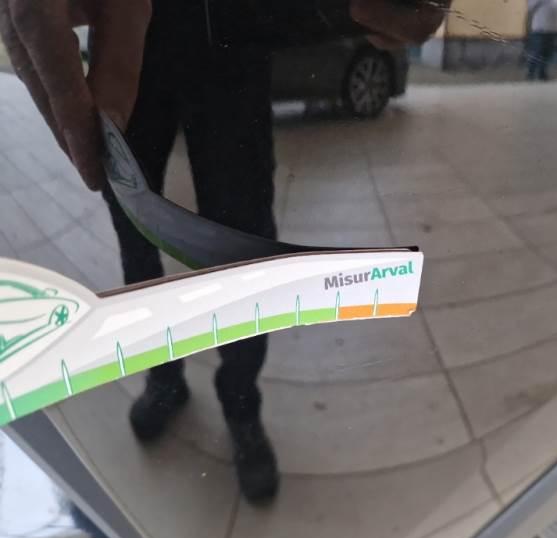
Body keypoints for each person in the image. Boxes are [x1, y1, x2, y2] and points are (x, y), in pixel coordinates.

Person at [0, 0, 447, 504]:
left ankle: (241, 404)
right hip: (135, 37)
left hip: (233, 30)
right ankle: (164, 376)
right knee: (136, 230)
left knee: (244, 247)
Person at [527, 0, 557, 81]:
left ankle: (542, 74)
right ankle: (530, 74)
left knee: (547, 53)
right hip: (540, 29)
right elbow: (530, 7)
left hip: (553, 30)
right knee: (537, 52)